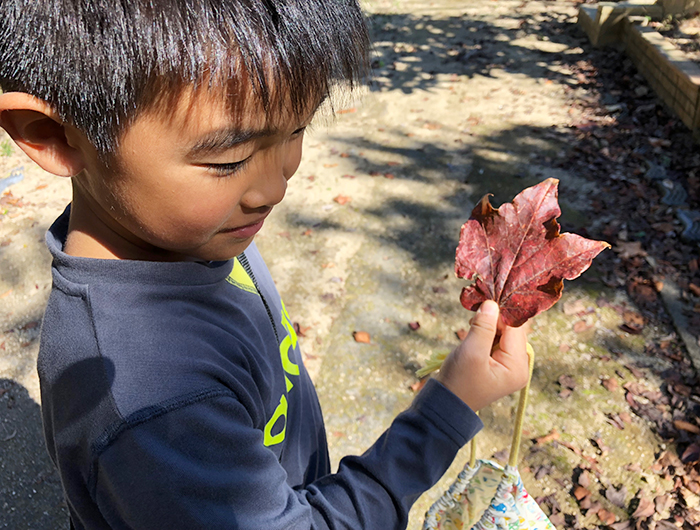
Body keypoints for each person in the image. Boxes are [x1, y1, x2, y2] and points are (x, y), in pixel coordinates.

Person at [0, 1, 530, 528]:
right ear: (53, 135)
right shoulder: (154, 408)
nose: (275, 188)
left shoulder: (195, 233)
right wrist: (444, 412)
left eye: (297, 130)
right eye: (229, 160)